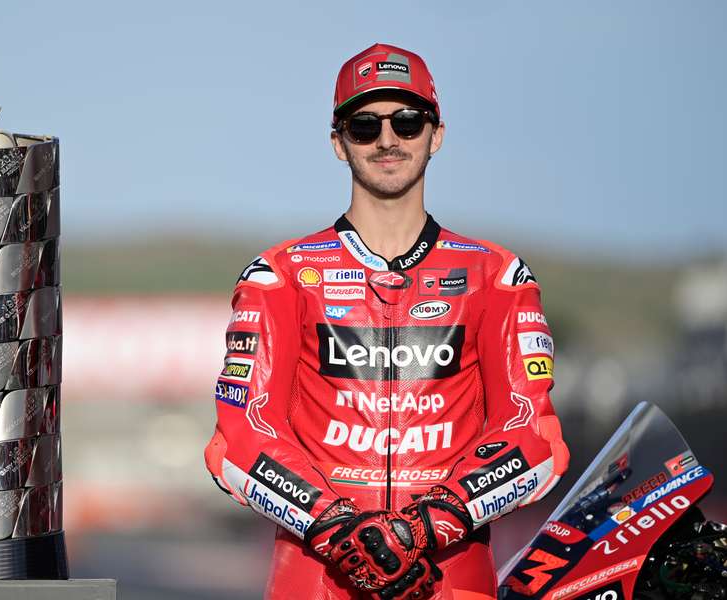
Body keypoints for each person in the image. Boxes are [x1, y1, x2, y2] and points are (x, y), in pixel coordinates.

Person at [204, 42, 570, 600]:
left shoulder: (496, 276)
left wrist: (424, 526)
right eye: (364, 126)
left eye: (406, 120)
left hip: (452, 579)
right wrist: (334, 527)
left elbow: (534, 437)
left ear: (436, 134)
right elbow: (242, 437)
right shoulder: (277, 276)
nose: (387, 139)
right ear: (338, 142)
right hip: (317, 580)